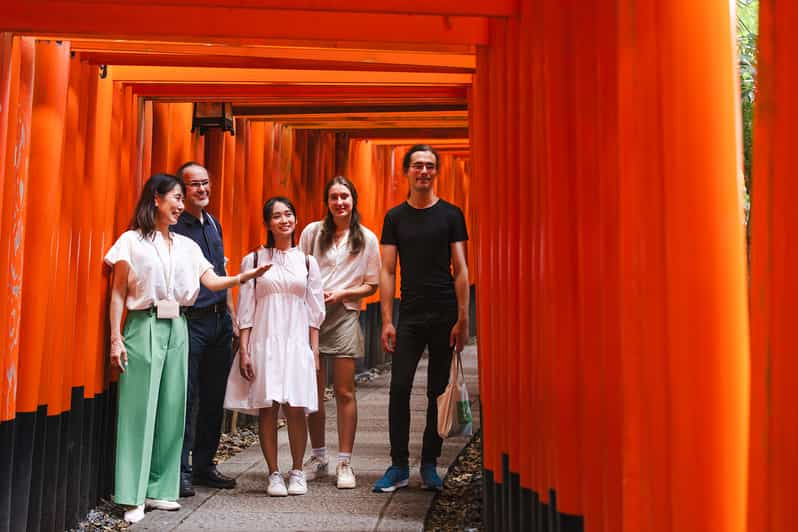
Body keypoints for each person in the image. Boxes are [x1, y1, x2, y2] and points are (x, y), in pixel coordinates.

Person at [105, 174, 270, 523]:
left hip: (179, 323)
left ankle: (160, 489)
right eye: (176, 198)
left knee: (172, 408)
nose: (181, 205)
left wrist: (245, 278)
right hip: (143, 323)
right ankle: (131, 494)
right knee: (139, 410)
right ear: (156, 200)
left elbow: (211, 281)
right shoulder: (131, 241)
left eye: (182, 198)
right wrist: (115, 338)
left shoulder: (186, 246)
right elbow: (118, 292)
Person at [372, 145, 470, 493]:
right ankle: (398, 465)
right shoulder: (395, 217)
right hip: (410, 313)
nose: (424, 172)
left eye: (430, 166)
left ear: (436, 172)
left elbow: (460, 270)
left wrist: (463, 318)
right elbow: (386, 270)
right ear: (407, 172)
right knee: (399, 388)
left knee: (437, 390)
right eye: (418, 166)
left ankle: (430, 463)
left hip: (444, 312)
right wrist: (387, 319)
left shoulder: (451, 215)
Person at [224, 197, 325, 497]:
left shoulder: (308, 262)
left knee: (296, 407)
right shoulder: (253, 260)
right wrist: (244, 349)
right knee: (267, 407)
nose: (284, 220)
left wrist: (314, 350)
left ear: (296, 220)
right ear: (268, 223)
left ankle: (297, 470)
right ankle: (273, 473)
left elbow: (314, 310)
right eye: (277, 216)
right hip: (264, 340)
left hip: (296, 342)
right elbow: (245, 309)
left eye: (289, 214)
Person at [299, 176, 380, 489]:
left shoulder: (367, 239)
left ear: (353, 199)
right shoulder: (312, 233)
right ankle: (319, 456)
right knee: (314, 392)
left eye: (344, 196)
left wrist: (343, 293)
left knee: (345, 391)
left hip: (345, 313)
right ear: (327, 201)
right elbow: (299, 268)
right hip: (312, 317)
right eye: (334, 197)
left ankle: (345, 460)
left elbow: (371, 284)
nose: (339, 203)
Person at [171, 162, 237, 497]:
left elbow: (220, 271)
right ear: (182, 192)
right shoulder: (176, 228)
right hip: (193, 320)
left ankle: (204, 464)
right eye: (195, 185)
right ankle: (180, 470)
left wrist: (232, 314)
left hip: (219, 321)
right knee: (188, 397)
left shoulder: (213, 224)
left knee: (214, 397)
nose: (202, 190)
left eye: (206, 183)